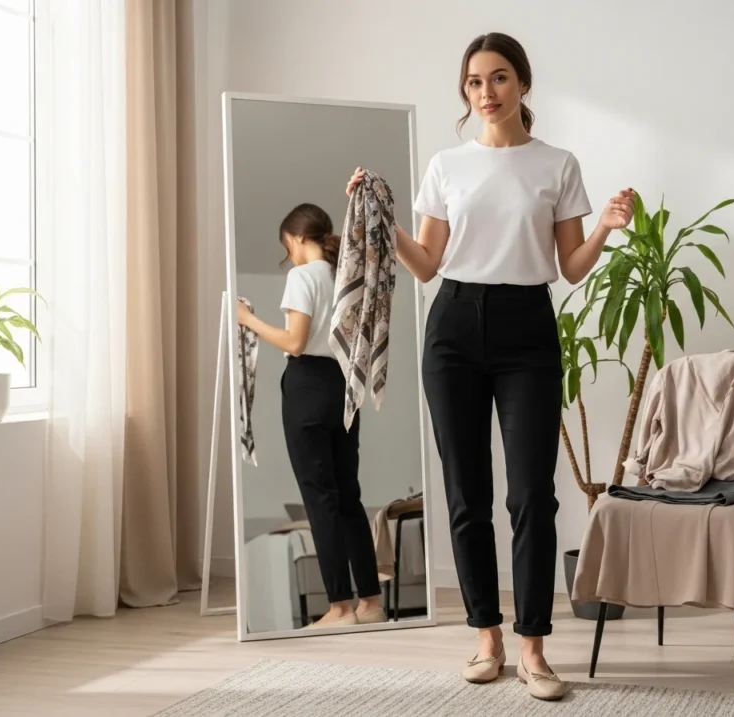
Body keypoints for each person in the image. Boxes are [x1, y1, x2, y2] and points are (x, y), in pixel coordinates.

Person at [346, 33, 633, 700]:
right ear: (466, 92)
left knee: (533, 491)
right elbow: (427, 264)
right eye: (474, 82)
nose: (487, 92)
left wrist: (605, 228)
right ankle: (487, 636)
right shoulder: (447, 165)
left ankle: (533, 646)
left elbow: (568, 267)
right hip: (452, 326)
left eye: (499, 78)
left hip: (528, 328)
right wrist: (384, 221)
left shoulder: (556, 164)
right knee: (466, 494)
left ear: (523, 84)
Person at [236, 203, 386, 629]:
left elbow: (294, 342)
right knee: (348, 497)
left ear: (299, 237)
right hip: (344, 387)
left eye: (288, 246)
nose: (289, 255)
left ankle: (339, 607)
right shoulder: (345, 275)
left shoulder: (302, 277)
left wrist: (249, 320)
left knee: (320, 499)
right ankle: (370, 603)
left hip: (307, 388)